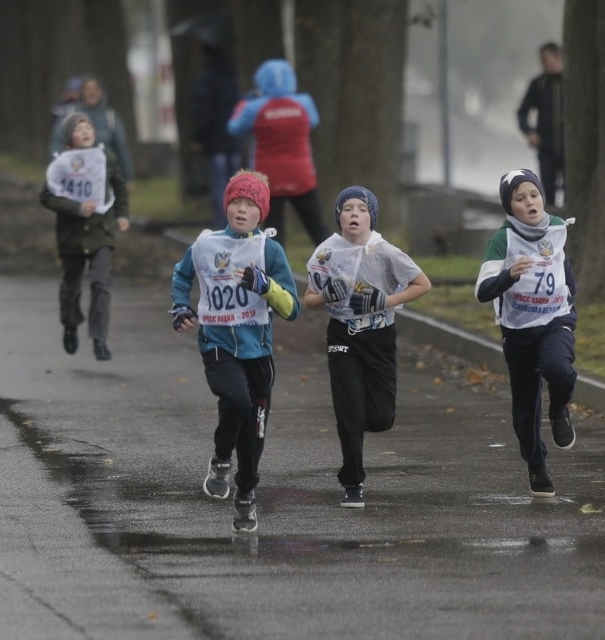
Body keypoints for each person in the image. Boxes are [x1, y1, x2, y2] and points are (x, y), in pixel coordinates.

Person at [171, 170, 300, 533]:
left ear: (262, 213)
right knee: (236, 401)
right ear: (226, 205)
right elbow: (181, 276)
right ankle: (221, 459)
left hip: (257, 350)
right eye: (235, 202)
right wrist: (181, 307)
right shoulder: (205, 245)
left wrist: (266, 286)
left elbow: (292, 309)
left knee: (255, 433)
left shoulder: (269, 250)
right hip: (217, 344)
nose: (241, 210)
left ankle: (246, 493)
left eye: (250, 204)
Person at [304, 186, 431, 508]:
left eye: (361, 208)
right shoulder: (325, 253)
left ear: (371, 217)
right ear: (339, 217)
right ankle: (352, 482)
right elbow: (309, 301)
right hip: (342, 336)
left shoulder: (385, 251)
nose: (354, 214)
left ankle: (358, 420)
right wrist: (324, 297)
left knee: (380, 417)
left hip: (379, 338)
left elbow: (422, 284)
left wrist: (386, 300)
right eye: (347, 208)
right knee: (348, 410)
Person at [475, 169, 577, 498]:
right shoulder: (502, 240)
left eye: (534, 194)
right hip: (518, 329)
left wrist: (569, 302)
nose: (529, 202)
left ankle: (559, 406)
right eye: (520, 198)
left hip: (555, 319)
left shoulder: (557, 228)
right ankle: (536, 463)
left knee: (559, 369)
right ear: (509, 207)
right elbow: (482, 290)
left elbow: (563, 267)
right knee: (524, 408)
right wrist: (508, 275)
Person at [39, 113, 130, 361]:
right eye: (79, 128)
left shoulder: (105, 158)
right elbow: (46, 197)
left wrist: (122, 215)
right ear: (69, 137)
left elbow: (119, 187)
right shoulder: (61, 164)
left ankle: (99, 338)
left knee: (101, 282)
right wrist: (76, 208)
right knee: (72, 283)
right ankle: (70, 322)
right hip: (71, 235)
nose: (86, 130)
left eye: (88, 125)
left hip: (102, 231)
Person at [228, 59, 329, 247]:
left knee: (273, 231)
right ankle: (338, 267)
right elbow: (313, 122)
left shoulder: (253, 107)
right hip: (301, 176)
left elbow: (234, 128)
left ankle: (276, 272)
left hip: (268, 179)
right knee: (317, 227)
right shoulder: (304, 103)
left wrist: (245, 102)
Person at [48, 76, 134, 189]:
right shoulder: (70, 114)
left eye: (96, 89)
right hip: (76, 177)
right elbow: (57, 143)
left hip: (105, 178)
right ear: (81, 92)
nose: (92, 93)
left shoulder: (111, 117)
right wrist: (57, 172)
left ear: (101, 92)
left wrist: (128, 178)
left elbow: (122, 149)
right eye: (88, 89)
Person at [191, 45, 241, 229]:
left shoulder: (206, 80)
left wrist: (198, 137)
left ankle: (222, 223)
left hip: (215, 140)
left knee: (220, 184)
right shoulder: (234, 77)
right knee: (236, 183)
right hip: (233, 140)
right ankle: (238, 222)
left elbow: (202, 111)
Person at [517, 42, 565, 207]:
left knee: (571, 194)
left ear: (558, 57)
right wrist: (529, 132)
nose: (543, 63)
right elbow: (522, 112)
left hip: (571, 150)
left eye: (546, 58)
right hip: (546, 149)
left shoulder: (573, 83)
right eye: (541, 59)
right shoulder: (538, 84)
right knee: (548, 195)